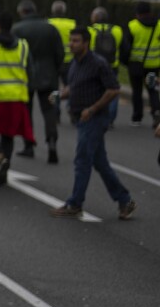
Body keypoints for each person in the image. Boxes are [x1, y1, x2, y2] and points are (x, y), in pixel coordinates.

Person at [51, 29, 136, 220]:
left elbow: (114, 89)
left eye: (76, 41)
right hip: (82, 119)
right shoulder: (75, 63)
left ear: (86, 43)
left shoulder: (98, 63)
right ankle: (126, 201)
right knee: (100, 163)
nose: (71, 44)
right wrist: (60, 95)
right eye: (70, 40)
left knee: (82, 160)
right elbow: (74, 86)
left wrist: (93, 109)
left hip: (94, 119)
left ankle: (75, 203)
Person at [0, 12, 34, 187]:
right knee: (8, 135)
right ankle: (4, 165)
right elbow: (30, 71)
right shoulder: (23, 46)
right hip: (16, 97)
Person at [14, 0, 66, 164]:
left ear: (22, 12)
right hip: (49, 77)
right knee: (49, 110)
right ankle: (52, 142)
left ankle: (29, 144)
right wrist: (56, 71)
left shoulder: (17, 29)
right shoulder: (50, 28)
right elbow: (60, 53)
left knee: (26, 111)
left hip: (25, 78)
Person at [121, 1, 160, 127]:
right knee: (153, 89)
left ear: (137, 14)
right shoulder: (159, 25)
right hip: (154, 64)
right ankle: (156, 112)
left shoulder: (133, 26)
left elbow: (126, 48)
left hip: (136, 65)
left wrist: (126, 62)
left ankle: (137, 117)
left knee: (137, 91)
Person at [86, 7, 124, 72]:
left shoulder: (89, 30)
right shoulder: (117, 30)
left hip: (93, 65)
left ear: (94, 17)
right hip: (112, 66)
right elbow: (124, 48)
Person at [49, 1, 77, 78]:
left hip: (53, 61)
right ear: (64, 11)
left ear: (52, 11)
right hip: (70, 60)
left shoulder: (48, 23)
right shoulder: (72, 24)